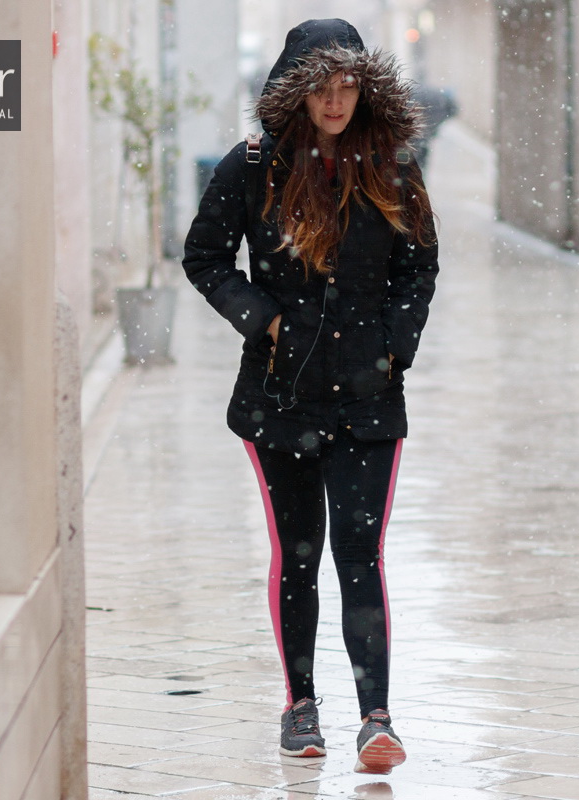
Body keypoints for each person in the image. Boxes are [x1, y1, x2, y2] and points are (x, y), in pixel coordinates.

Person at [182, 18, 437, 774]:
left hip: (367, 397)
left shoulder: (392, 166)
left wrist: (392, 344)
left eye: (348, 85)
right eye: (321, 87)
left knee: (360, 554)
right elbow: (204, 256)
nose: (335, 101)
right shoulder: (252, 167)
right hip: (279, 396)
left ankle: (376, 718)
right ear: (296, 91)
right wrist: (264, 321)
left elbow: (419, 266)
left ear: (365, 89)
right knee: (298, 557)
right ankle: (301, 707)